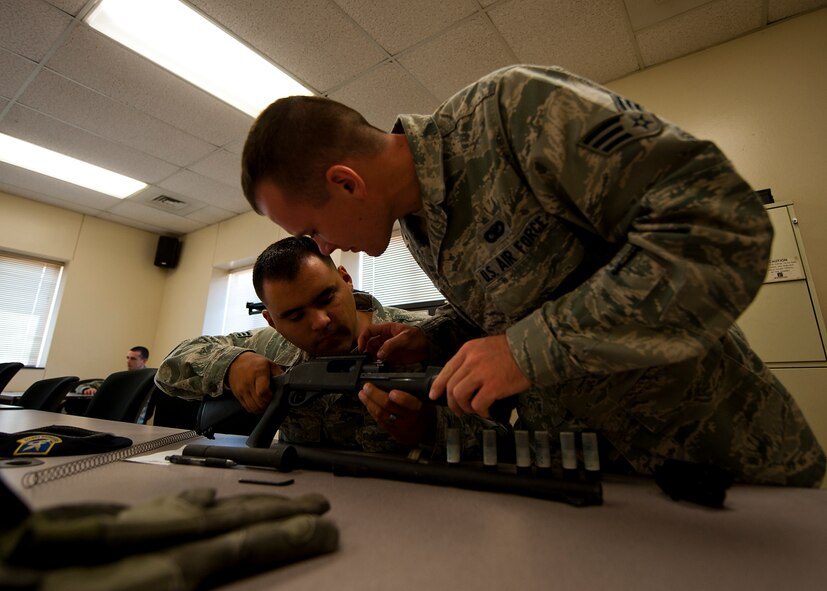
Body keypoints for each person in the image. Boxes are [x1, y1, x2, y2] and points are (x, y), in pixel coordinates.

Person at [239, 64, 825, 486]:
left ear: (347, 182)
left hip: (722, 453)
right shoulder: (414, 224)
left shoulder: (508, 115)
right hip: (599, 477)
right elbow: (523, 303)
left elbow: (719, 226)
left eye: (314, 227)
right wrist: (440, 335)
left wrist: (526, 351)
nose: (324, 246)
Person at [156, 237, 488, 454]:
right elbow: (171, 366)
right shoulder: (269, 345)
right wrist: (231, 365)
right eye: (295, 315)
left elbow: (506, 438)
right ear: (272, 321)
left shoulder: (426, 338)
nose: (320, 322)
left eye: (326, 298)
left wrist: (430, 427)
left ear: (346, 280)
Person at [76, 346, 149, 395]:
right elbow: (79, 386)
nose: (128, 361)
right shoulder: (123, 378)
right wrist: (86, 389)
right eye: (127, 358)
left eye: (133, 359)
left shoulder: (148, 382)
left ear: (144, 361)